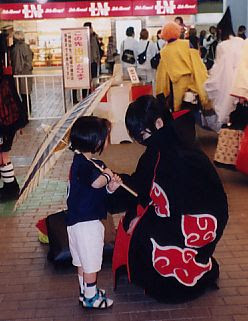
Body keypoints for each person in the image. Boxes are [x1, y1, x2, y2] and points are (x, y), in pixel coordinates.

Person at [107, 95, 228, 303]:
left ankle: (176, 280)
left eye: (141, 135)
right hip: (187, 214)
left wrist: (143, 216)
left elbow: (176, 198)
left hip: (197, 219)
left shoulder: (176, 152)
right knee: (135, 222)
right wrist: (117, 183)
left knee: (145, 234)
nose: (139, 142)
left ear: (159, 123)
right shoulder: (167, 143)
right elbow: (143, 185)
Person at [66, 116, 122, 309]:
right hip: (87, 223)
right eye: (107, 137)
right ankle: (91, 298)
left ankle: (85, 292)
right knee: (90, 263)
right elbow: (96, 182)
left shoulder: (84, 162)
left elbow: (95, 190)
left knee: (82, 261)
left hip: (76, 222)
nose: (108, 140)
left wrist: (111, 187)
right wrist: (107, 175)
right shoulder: (86, 164)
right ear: (96, 141)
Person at [156, 22, 209, 112]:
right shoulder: (187, 44)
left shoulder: (164, 51)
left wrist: (161, 95)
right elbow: (198, 66)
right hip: (191, 84)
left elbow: (162, 77)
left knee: (178, 112)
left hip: (175, 86)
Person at [205, 7, 245, 128]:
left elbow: (218, 69)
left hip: (228, 86)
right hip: (243, 85)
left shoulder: (222, 46)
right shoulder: (241, 42)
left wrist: (208, 81)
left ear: (220, 31)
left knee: (230, 116)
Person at [0, 56, 28, 202]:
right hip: (8, 123)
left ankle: (10, 187)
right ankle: (9, 186)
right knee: (3, 155)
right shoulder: (6, 76)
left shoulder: (3, 80)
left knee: (3, 156)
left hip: (4, 125)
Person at [72, 22, 100, 103]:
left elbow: (97, 49)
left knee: (92, 81)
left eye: (90, 28)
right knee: (84, 81)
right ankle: (84, 98)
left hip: (93, 62)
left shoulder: (94, 37)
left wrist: (97, 59)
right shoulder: (81, 38)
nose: (90, 30)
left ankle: (89, 97)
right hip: (84, 63)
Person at [10, 31, 33, 120]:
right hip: (26, 73)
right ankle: (27, 113)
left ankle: (25, 114)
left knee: (22, 95)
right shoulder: (26, 47)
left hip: (20, 74)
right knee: (26, 95)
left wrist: (15, 72)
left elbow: (17, 63)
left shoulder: (17, 48)